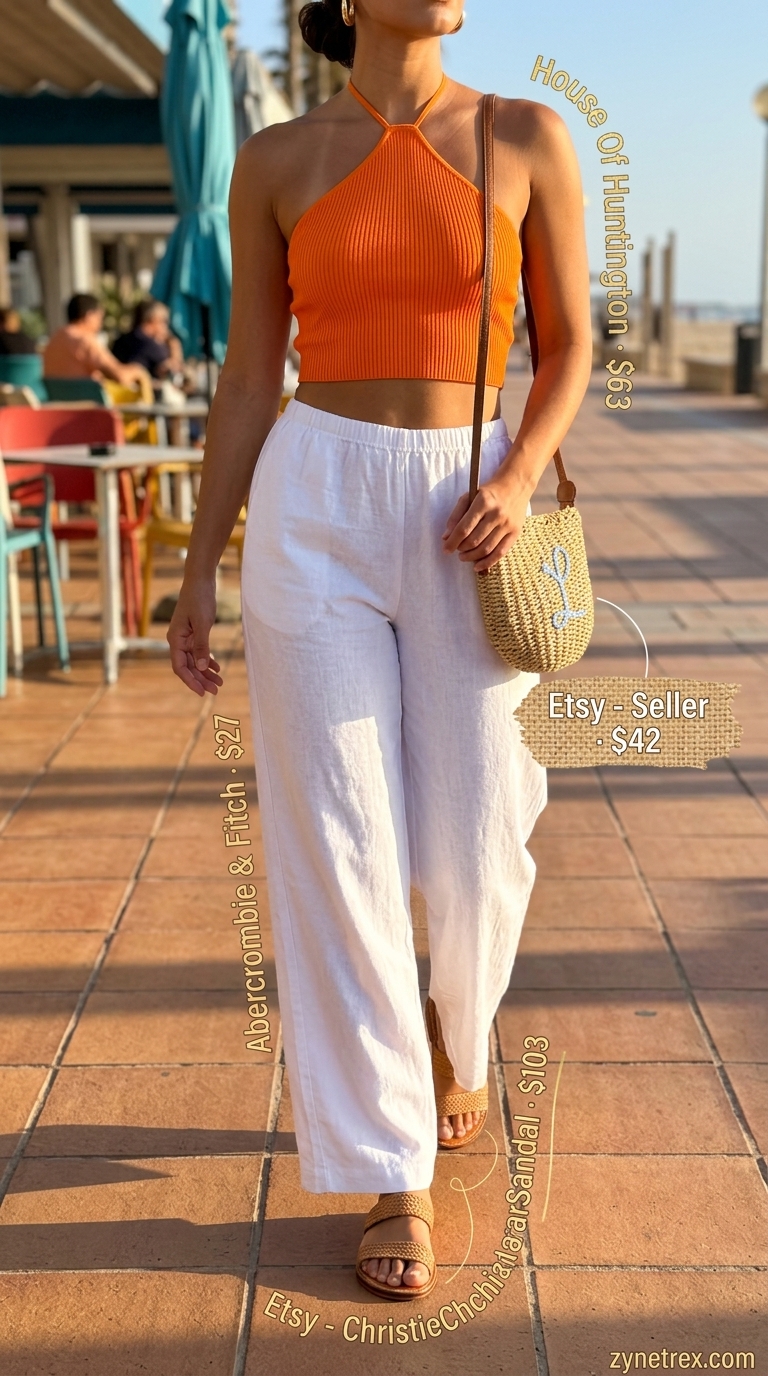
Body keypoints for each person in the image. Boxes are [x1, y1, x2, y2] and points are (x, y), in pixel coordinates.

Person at [167, 0, 592, 1300]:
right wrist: (199, 562)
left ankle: (462, 1033)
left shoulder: (526, 134)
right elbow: (251, 376)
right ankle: (390, 1164)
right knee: (339, 844)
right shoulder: (276, 159)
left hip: (469, 502)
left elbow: (572, 344)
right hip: (315, 506)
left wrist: (516, 474)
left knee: (478, 836)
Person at [43, 293, 146, 386]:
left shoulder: (55, 339)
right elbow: (120, 376)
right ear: (89, 316)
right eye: (99, 317)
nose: (100, 324)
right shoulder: (84, 340)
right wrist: (139, 371)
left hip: (58, 400)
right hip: (87, 400)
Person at [113, 298, 184, 380]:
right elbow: (175, 369)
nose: (166, 327)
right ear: (152, 320)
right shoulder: (151, 346)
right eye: (164, 321)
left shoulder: (123, 339)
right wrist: (174, 345)